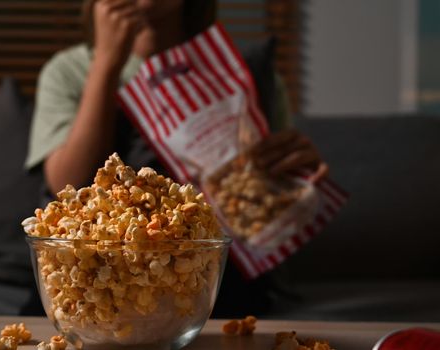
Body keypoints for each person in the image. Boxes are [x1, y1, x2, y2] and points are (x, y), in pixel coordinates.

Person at [25, 0, 328, 317]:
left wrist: (296, 180)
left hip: (213, 280)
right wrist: (107, 63)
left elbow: (270, 214)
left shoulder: (243, 73)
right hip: (92, 284)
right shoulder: (71, 70)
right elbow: (64, 184)